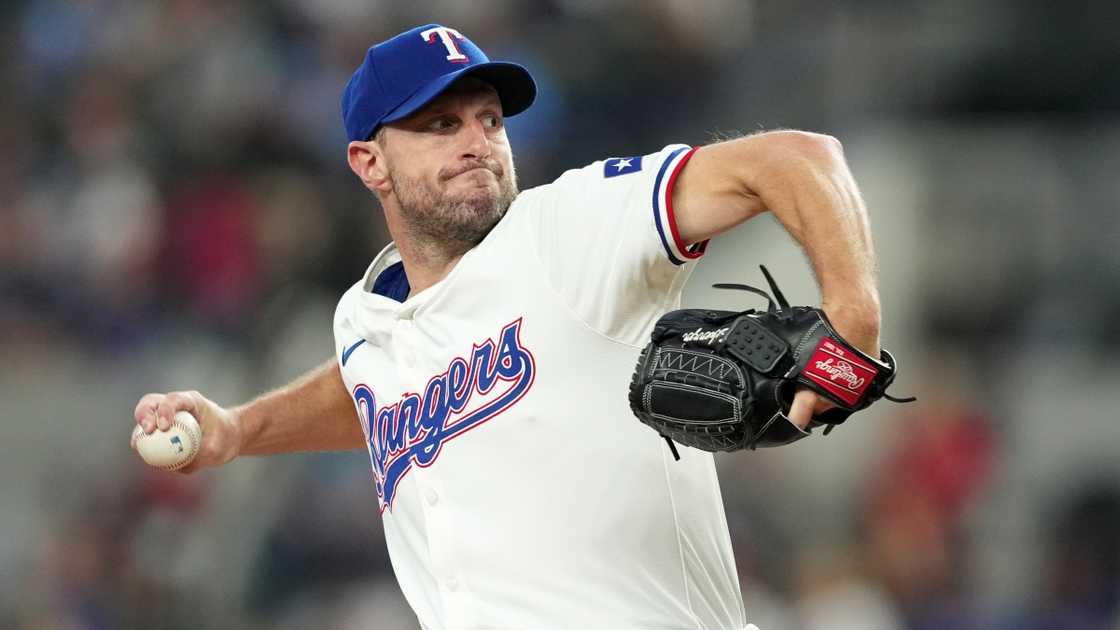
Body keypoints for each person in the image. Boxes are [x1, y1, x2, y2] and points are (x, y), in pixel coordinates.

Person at [132, 23, 882, 630]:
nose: (477, 141)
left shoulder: (568, 229)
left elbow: (797, 158)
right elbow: (372, 390)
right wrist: (236, 429)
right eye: (440, 123)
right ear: (369, 162)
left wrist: (853, 320)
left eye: (490, 119)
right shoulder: (367, 318)